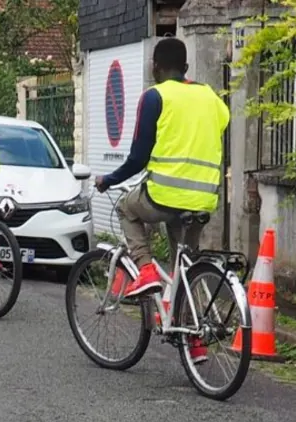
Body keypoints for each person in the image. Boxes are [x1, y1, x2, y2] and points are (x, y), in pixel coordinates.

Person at [94, 38, 230, 361]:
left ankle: (145, 270)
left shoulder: (154, 97)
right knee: (186, 267)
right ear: (186, 68)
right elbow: (221, 122)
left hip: (164, 194)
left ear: (155, 68)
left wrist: (109, 180)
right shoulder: (209, 97)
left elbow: (138, 158)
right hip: (202, 199)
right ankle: (194, 341)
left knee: (128, 207)